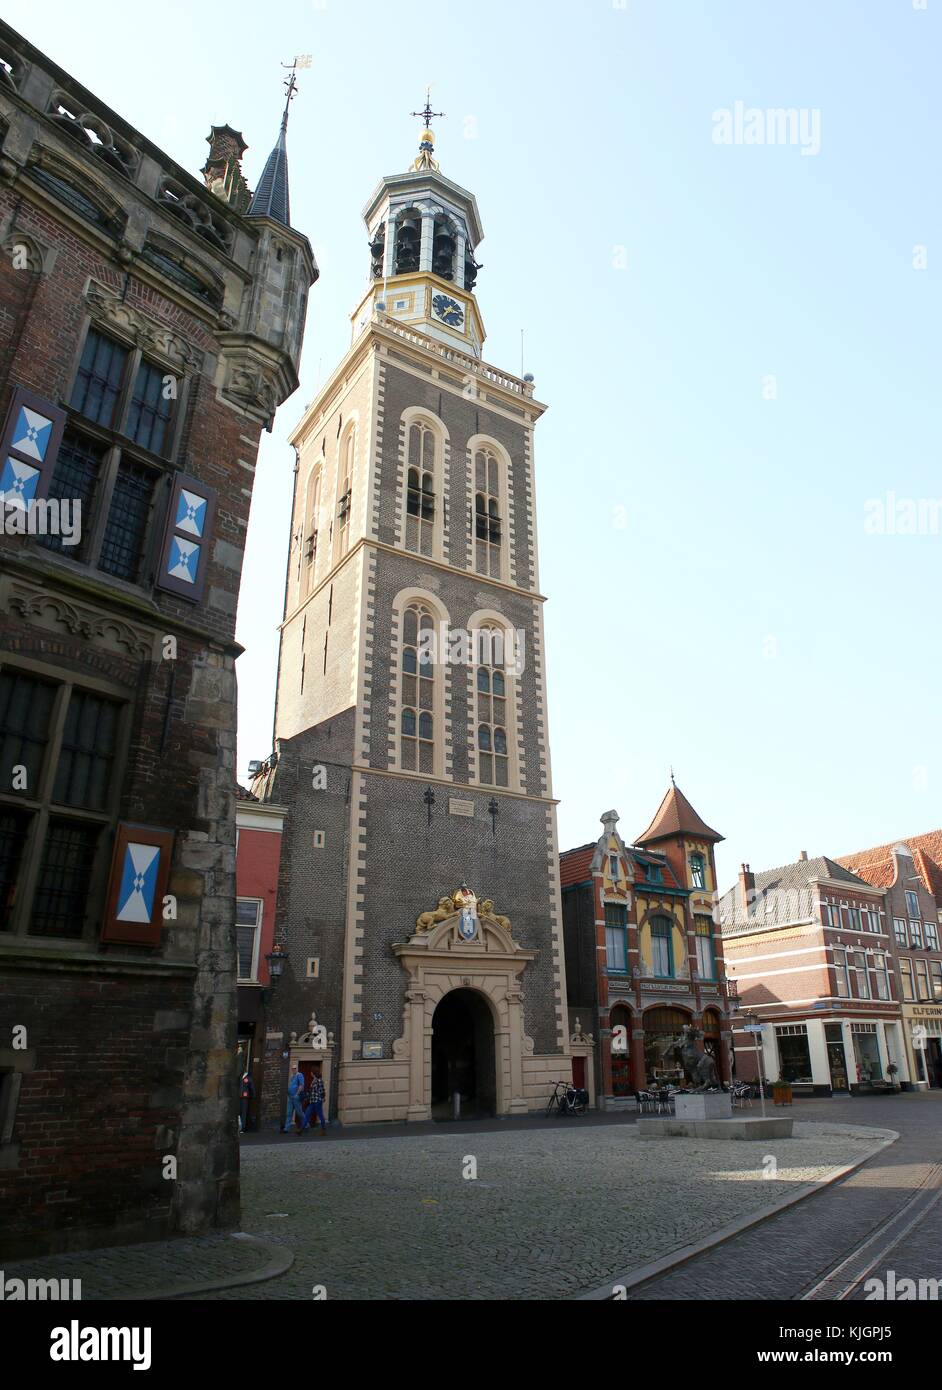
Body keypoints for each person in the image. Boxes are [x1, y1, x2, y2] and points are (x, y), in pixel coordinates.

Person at [301, 1064, 328, 1135]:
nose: (310, 1073)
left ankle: (323, 1130)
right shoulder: (313, 1080)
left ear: (313, 1073)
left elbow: (322, 1090)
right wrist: (307, 1096)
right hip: (312, 1101)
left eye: (311, 1072)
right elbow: (311, 1091)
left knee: (320, 1115)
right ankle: (301, 1129)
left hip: (317, 1101)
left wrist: (323, 1098)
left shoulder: (319, 1081)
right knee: (307, 1114)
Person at [282, 1065, 306, 1133]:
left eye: (295, 1068)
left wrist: (297, 1094)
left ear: (297, 1069)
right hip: (290, 1097)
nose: (293, 1069)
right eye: (292, 1068)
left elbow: (301, 1085)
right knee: (289, 1113)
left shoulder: (299, 1075)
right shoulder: (292, 1076)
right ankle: (286, 1128)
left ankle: (306, 1125)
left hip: (296, 1097)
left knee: (299, 1113)